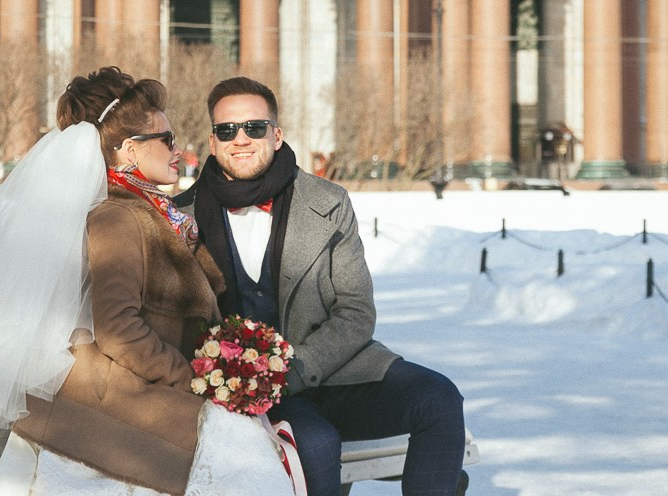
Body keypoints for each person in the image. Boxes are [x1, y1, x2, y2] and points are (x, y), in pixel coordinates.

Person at [0, 67, 294, 496]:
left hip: (133, 394)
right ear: (129, 150)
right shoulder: (118, 219)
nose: (177, 148)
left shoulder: (145, 210)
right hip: (114, 407)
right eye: (166, 139)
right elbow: (118, 330)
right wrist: (193, 381)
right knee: (245, 464)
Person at [176, 76, 467, 496]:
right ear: (213, 141)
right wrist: (229, 376)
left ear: (276, 136)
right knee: (316, 444)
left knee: (439, 399)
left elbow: (355, 311)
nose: (241, 139)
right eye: (227, 130)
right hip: (233, 390)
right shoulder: (179, 218)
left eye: (254, 127)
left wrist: (292, 370)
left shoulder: (329, 201)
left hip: (328, 371)